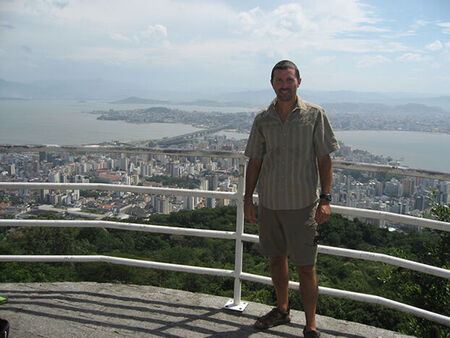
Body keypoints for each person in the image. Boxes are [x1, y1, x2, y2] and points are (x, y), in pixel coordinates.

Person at [244, 60, 339, 337]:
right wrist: (248, 199)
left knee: (306, 267)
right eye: (279, 80)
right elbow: (255, 160)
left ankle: (310, 324)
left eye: (289, 80)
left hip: (302, 205)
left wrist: (326, 198)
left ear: (299, 81)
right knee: (276, 259)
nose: (284, 85)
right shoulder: (263, 118)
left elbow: (324, 159)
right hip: (270, 203)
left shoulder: (314, 115)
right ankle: (283, 309)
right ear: (272, 83)